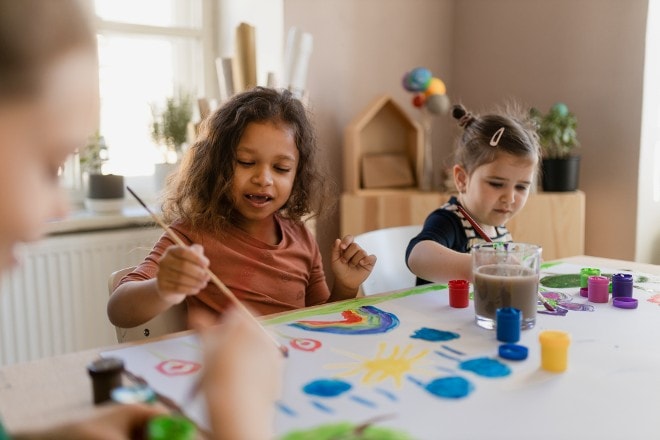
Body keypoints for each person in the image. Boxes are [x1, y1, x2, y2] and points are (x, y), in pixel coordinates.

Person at [0, 0, 282, 439]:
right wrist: (236, 417)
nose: (59, 208)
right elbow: (123, 306)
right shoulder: (193, 235)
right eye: (50, 165)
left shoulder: (297, 235)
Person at [107, 87, 377, 328]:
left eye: (281, 168)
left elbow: (319, 320)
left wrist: (345, 286)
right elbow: (118, 310)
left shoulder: (302, 238)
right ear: (217, 165)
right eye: (246, 162)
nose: (264, 179)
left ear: (298, 174)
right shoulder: (191, 235)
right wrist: (162, 288)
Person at [406, 104, 541, 284]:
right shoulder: (449, 220)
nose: (509, 198)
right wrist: (481, 263)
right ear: (462, 179)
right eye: (496, 184)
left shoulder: (498, 228)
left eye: (522, 187)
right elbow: (417, 256)